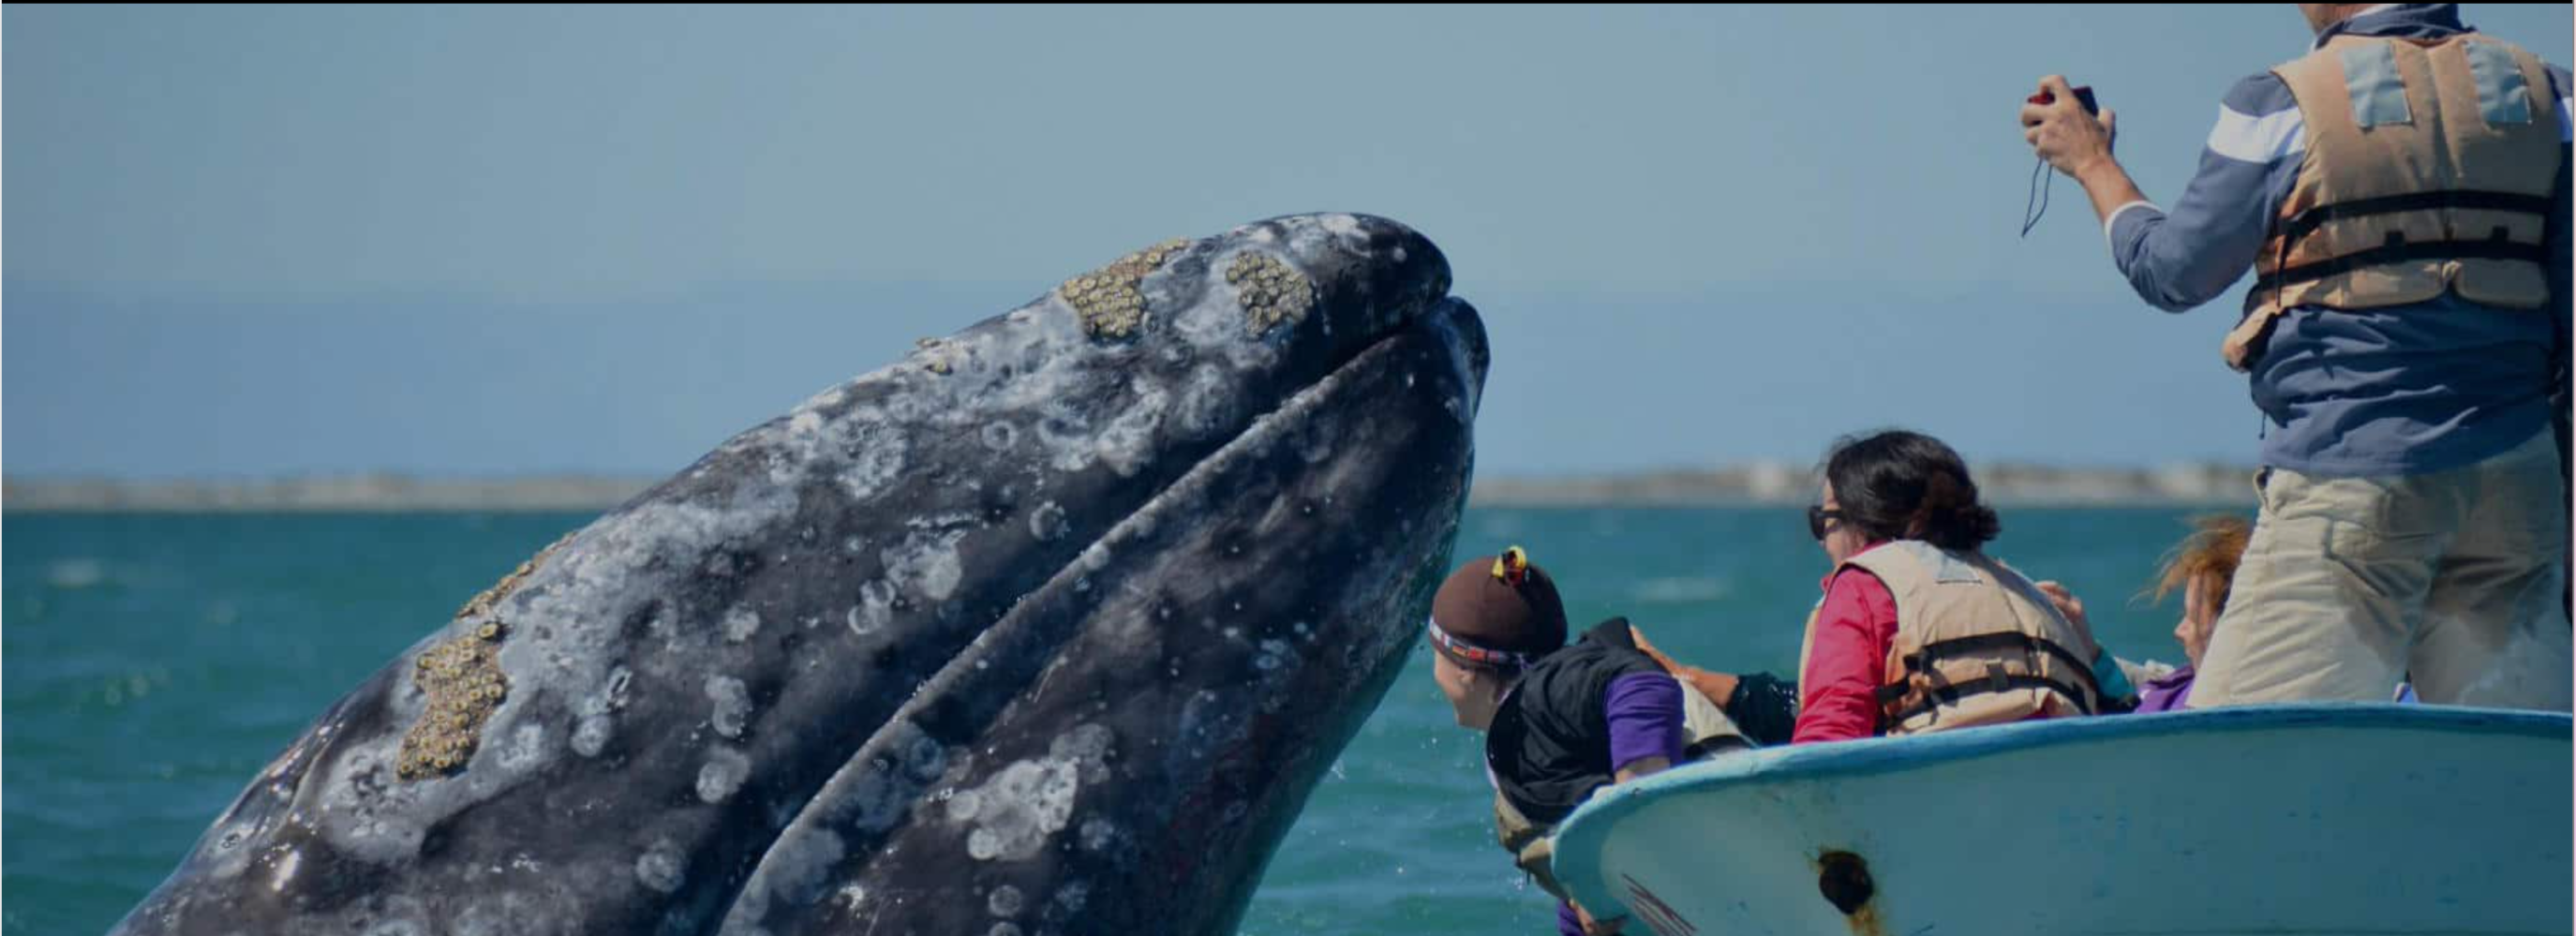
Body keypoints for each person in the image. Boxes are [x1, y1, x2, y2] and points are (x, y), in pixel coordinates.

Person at [2019, 4, 2572, 709]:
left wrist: (2091, 162)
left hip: (2350, 478)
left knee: (2246, 758)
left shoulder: (2280, 102)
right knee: (2520, 769)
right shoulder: (2549, 94)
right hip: (2514, 482)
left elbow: (2173, 272)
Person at [1426, 546, 1739, 936]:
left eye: (1434, 652)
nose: (1433, 670)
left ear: (1466, 672)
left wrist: (1634, 830)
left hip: (1737, 854)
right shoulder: (1527, 736)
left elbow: (1641, 685)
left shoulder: (1545, 691)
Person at [1792, 430, 2103, 742]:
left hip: (1932, 786)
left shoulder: (1862, 585)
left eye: (1823, 520)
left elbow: (1830, 736)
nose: (1823, 541)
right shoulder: (2038, 600)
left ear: (1863, 519)